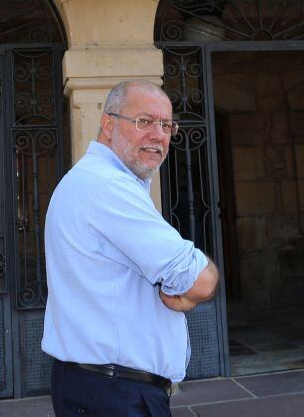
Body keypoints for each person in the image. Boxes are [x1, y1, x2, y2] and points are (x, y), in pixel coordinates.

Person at [43, 79, 219, 417]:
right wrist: (194, 288)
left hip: (99, 386)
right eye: (144, 121)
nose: (158, 134)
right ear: (108, 125)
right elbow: (200, 280)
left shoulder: (94, 180)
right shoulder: (108, 187)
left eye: (166, 125)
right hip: (114, 394)